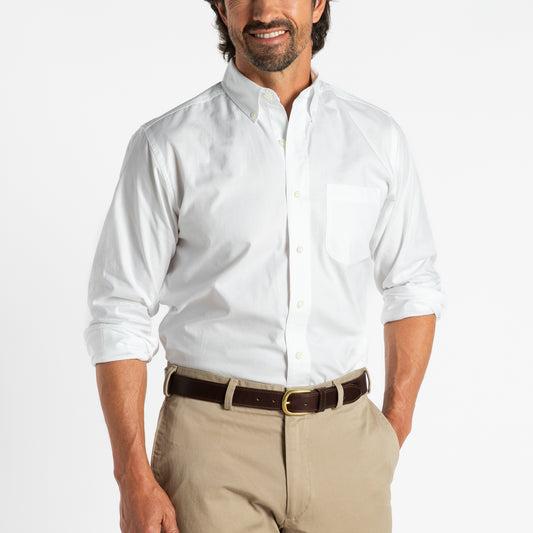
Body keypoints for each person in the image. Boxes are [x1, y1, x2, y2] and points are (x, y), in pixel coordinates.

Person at [84, 1, 446, 532]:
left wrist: (394, 425)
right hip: (211, 451)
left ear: (318, 3)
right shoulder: (167, 145)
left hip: (348, 449)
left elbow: (412, 284)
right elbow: (119, 311)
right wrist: (131, 476)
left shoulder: (377, 139)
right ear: (221, 5)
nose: (264, 9)